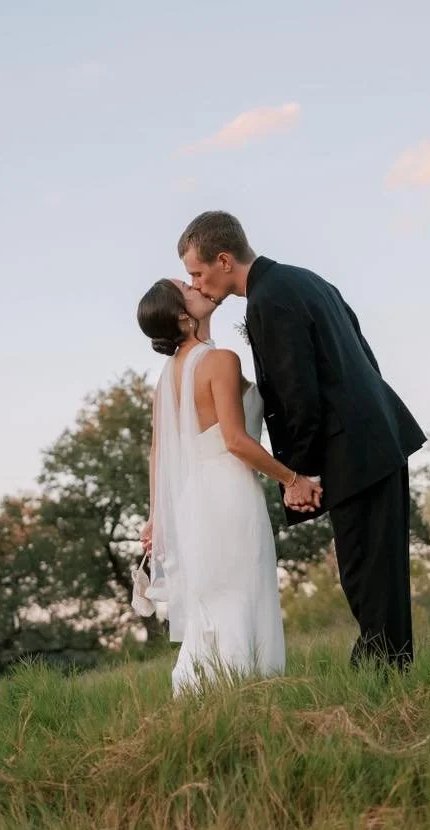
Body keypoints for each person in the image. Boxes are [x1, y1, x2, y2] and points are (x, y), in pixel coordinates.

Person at [178, 211, 426, 670]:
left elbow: (298, 395)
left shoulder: (267, 300)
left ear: (224, 260)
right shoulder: (307, 280)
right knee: (384, 571)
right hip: (379, 436)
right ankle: (393, 678)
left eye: (196, 271)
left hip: (350, 451)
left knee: (365, 574)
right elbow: (362, 352)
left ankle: (380, 680)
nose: (194, 282)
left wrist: (302, 475)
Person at [136, 277, 321, 695]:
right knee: (241, 591)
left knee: (213, 597)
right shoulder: (219, 360)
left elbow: (158, 453)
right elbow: (236, 441)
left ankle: (210, 695)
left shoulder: (167, 378)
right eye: (186, 287)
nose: (195, 285)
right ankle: (248, 689)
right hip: (228, 492)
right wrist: (293, 479)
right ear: (184, 316)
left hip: (189, 501)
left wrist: (157, 517)